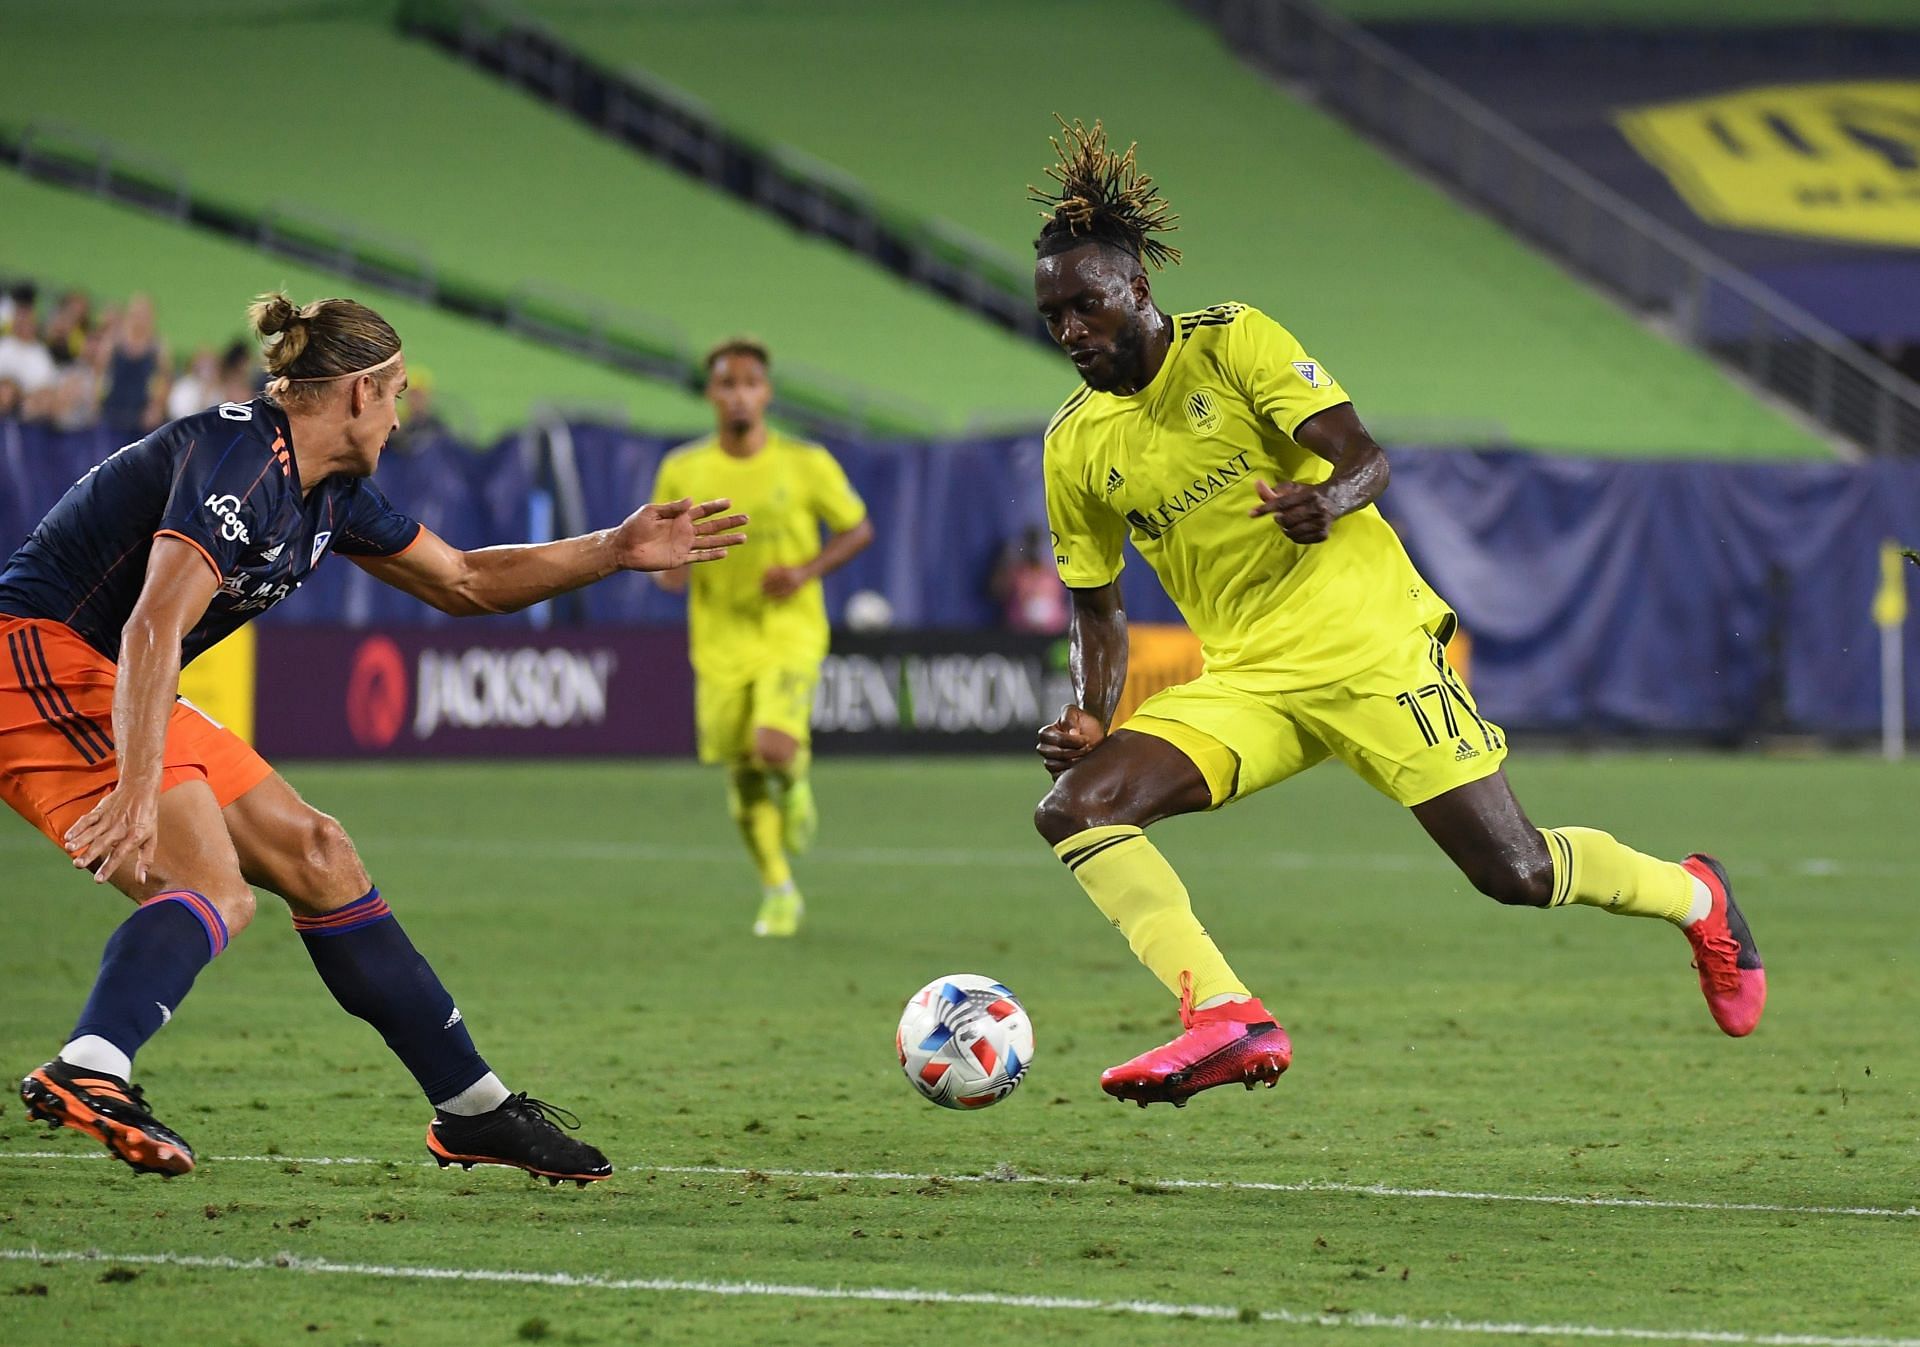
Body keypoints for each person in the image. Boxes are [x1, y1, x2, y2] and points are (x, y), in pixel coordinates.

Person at [1024, 121, 1764, 1109]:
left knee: (1515, 871)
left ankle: (1697, 897)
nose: (1071, 328)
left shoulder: (1234, 341)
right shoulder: (1074, 443)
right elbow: (1096, 602)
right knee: (1077, 807)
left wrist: (1325, 500)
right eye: (1053, 315)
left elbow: (1365, 456)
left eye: (1087, 304)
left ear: (1137, 291)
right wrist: (1092, 711)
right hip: (1250, 678)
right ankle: (1225, 1017)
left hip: (1372, 645)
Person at [2, 292, 747, 1178]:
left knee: (320, 854)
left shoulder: (331, 493)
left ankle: (474, 1109)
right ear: (358, 391)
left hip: (114, 679)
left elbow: (465, 580)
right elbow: (154, 626)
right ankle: (92, 1066)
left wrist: (614, 549)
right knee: (215, 885)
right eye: (395, 393)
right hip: (34, 662)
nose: (401, 415)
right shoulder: (240, 457)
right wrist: (133, 785)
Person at [650, 340, 873, 937]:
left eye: (750, 384)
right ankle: (778, 890)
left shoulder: (805, 462)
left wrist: (804, 572)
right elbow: (663, 548)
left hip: (789, 629)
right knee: (742, 771)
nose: (739, 394)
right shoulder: (683, 468)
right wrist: (666, 568)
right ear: (711, 395)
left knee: (772, 747)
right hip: (719, 638)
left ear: (767, 393)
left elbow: (857, 528)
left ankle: (795, 782)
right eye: (727, 384)